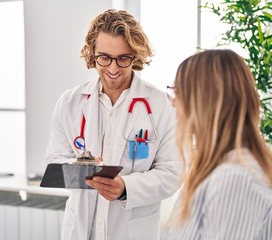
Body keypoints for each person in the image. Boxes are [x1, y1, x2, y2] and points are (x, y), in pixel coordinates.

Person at [45, 9, 180, 240]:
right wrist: (80, 167)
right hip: (80, 230)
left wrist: (126, 187)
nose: (113, 68)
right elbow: (54, 161)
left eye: (123, 58)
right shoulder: (69, 102)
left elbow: (173, 172)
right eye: (104, 57)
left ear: (135, 56)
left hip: (132, 231)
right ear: (92, 53)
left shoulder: (161, 105)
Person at [161, 49, 272, 239]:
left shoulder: (235, 178)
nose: (174, 103)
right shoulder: (210, 169)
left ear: (205, 101)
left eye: (179, 92)